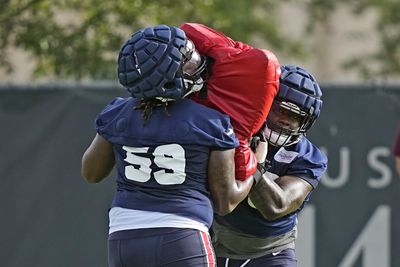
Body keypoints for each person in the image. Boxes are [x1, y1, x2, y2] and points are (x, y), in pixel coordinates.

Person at [81, 25, 267, 267]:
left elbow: (91, 173)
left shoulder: (118, 113)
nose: (197, 62)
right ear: (167, 77)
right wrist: (257, 169)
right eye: (187, 59)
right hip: (182, 237)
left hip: (124, 238)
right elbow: (226, 202)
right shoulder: (211, 122)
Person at [212, 65, 328, 267]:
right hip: (216, 242)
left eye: (295, 116)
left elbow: (277, 205)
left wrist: (253, 163)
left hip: (270, 252)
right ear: (264, 104)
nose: (285, 120)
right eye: (279, 110)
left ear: (306, 122)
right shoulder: (233, 131)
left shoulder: (309, 157)